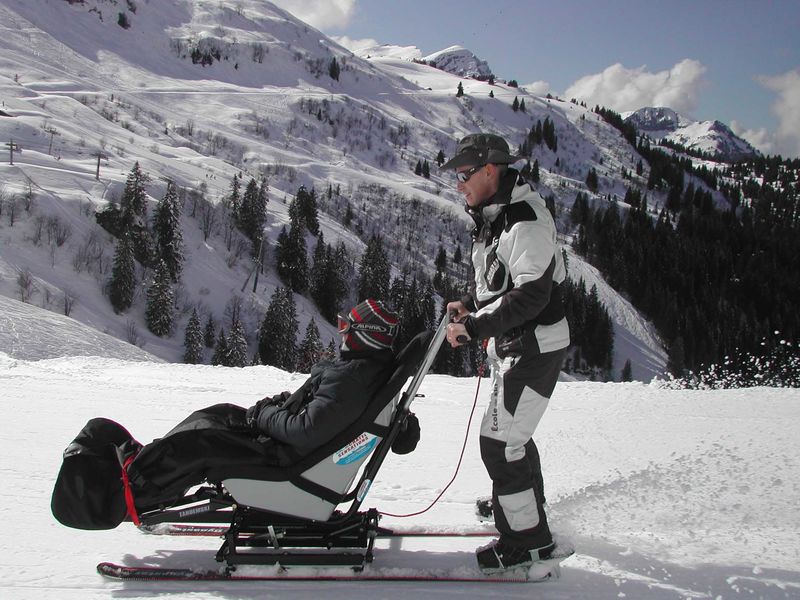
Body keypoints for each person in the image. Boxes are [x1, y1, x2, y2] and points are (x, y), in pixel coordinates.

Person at [441, 133, 570, 573]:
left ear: (489, 169)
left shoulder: (524, 221)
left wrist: (474, 327)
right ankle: (522, 507)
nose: (459, 184)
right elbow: (504, 284)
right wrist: (472, 305)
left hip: (534, 348)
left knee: (500, 445)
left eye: (463, 174)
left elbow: (532, 296)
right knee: (511, 437)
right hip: (516, 346)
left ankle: (528, 544)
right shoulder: (496, 216)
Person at [246, 298, 402, 465]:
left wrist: (262, 414)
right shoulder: (368, 372)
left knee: (215, 430)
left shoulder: (349, 381)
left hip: (280, 460)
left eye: (345, 326)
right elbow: (326, 411)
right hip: (289, 449)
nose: (341, 333)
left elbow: (305, 430)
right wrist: (289, 403)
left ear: (365, 334)